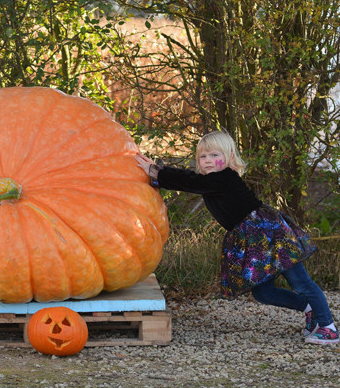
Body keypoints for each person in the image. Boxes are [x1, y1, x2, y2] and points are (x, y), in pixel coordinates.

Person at [135, 130, 338, 345]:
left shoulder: (226, 177)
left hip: (271, 234)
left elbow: (191, 182)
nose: (208, 161)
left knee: (300, 282)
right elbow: (193, 180)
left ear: (230, 158)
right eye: (203, 157)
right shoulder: (211, 182)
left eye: (214, 155)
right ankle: (310, 309)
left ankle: (328, 327)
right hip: (254, 240)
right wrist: (158, 174)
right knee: (263, 293)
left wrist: (159, 173)